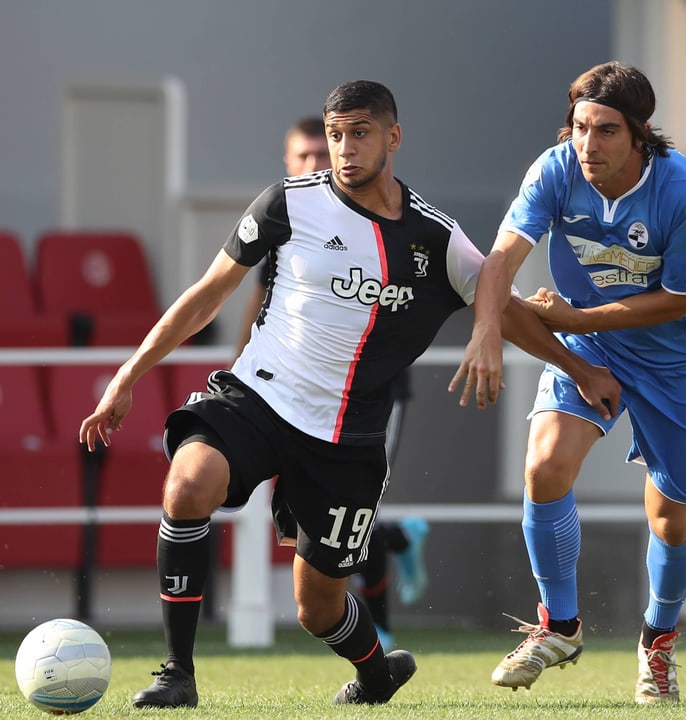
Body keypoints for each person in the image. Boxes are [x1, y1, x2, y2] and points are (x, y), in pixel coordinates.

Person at [79, 79, 620, 709]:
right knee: (188, 483)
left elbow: (508, 308)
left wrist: (579, 370)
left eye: (359, 133)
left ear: (393, 137)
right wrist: (127, 376)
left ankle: (375, 673)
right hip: (259, 397)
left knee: (318, 607)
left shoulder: (434, 239)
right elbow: (208, 292)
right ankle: (177, 672)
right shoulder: (287, 203)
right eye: (336, 135)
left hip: (348, 438)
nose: (344, 149)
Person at [451, 61, 686, 704]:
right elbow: (500, 261)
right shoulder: (555, 170)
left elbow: (681, 300)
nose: (588, 144)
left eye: (605, 131)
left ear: (639, 134)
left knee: (673, 519)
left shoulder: (685, 192)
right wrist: (486, 332)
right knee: (545, 468)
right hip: (590, 343)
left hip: (678, 359)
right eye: (580, 128)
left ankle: (657, 643)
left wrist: (573, 315)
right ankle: (560, 627)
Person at [233, 116, 431, 652]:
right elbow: (258, 306)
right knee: (315, 521)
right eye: (304, 157)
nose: (317, 164)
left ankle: (379, 626)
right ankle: (398, 540)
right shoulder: (287, 218)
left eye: (323, 153)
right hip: (291, 396)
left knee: (358, 510)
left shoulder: (380, 217)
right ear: (287, 162)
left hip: (369, 397)